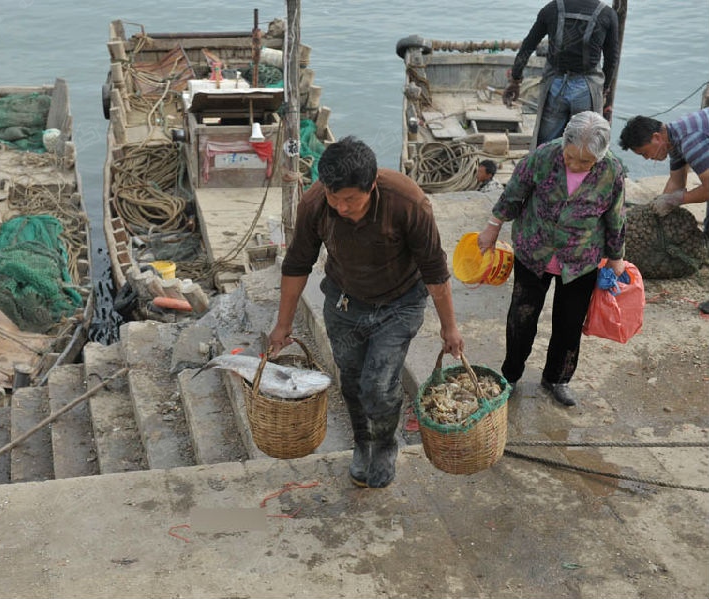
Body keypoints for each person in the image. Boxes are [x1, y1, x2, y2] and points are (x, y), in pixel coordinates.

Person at [267, 136, 464, 489]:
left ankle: (385, 444)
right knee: (353, 381)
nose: (341, 207)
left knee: (379, 383)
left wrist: (450, 328)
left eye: (350, 200)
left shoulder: (408, 202)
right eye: (334, 197)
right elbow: (297, 266)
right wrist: (282, 326)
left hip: (400, 304)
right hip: (344, 302)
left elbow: (435, 272)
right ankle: (363, 442)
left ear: (371, 186)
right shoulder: (314, 204)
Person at [478, 111, 625, 407]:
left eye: (585, 162)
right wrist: (493, 227)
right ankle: (511, 375)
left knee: (569, 324)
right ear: (564, 145)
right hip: (535, 251)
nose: (576, 165)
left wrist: (616, 257)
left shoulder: (612, 171)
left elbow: (615, 216)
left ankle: (557, 378)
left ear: (601, 154)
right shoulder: (543, 157)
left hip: (581, 259)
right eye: (571, 157)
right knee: (522, 317)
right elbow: (514, 193)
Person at [618, 108, 709, 314]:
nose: (647, 159)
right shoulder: (675, 140)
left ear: (657, 137)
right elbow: (677, 182)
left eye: (644, 152)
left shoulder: (689, 139)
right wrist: (659, 207)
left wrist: (678, 198)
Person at [503, 0, 619, 147]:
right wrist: (604, 90)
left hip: (555, 86)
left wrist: (515, 80)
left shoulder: (551, 9)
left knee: (547, 145)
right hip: (587, 89)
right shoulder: (607, 14)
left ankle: (545, 166)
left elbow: (528, 46)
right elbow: (611, 59)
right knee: (585, 145)